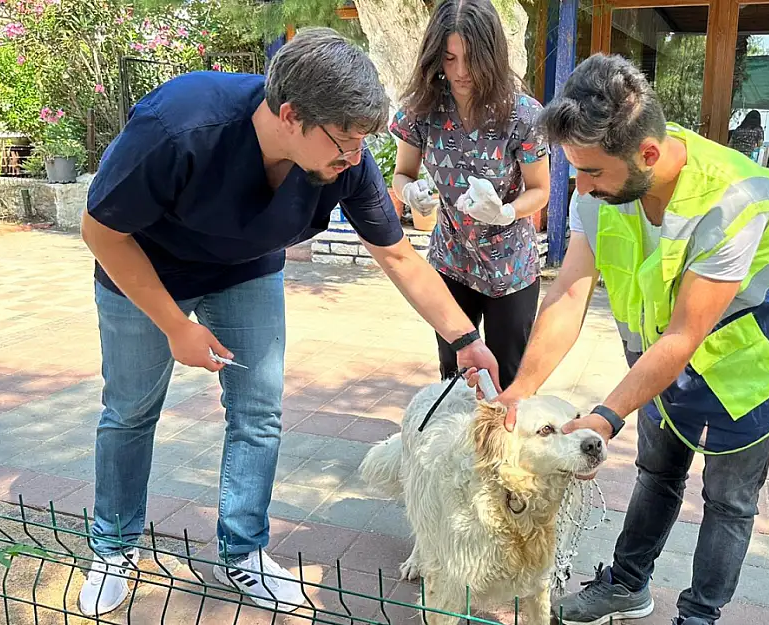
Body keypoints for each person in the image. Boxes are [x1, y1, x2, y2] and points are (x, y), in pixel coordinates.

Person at [77, 28, 500, 617]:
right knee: (129, 411)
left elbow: (399, 254)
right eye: (345, 141)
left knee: (259, 412)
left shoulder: (344, 160)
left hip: (246, 271)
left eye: (362, 142)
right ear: (291, 113)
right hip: (145, 270)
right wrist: (176, 326)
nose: (355, 157)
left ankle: (244, 552)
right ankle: (113, 548)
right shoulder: (180, 127)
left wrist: (465, 338)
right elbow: (100, 231)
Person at [471, 54, 769, 625]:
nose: (580, 188)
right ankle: (627, 585)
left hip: (748, 361)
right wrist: (520, 391)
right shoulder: (599, 191)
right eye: (575, 170)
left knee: (729, 500)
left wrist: (605, 417)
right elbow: (569, 294)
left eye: (594, 173)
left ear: (646, 155)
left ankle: (699, 616)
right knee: (658, 471)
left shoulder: (735, 199)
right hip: (657, 356)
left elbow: (686, 333)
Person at [390, 0, 550, 390]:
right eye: (448, 58)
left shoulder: (522, 114)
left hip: (510, 269)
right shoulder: (423, 109)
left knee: (507, 379)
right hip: (451, 262)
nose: (460, 72)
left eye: (471, 59)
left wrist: (507, 212)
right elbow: (401, 173)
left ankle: (501, 451)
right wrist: (409, 192)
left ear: (492, 55)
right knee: (455, 377)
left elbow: (541, 190)